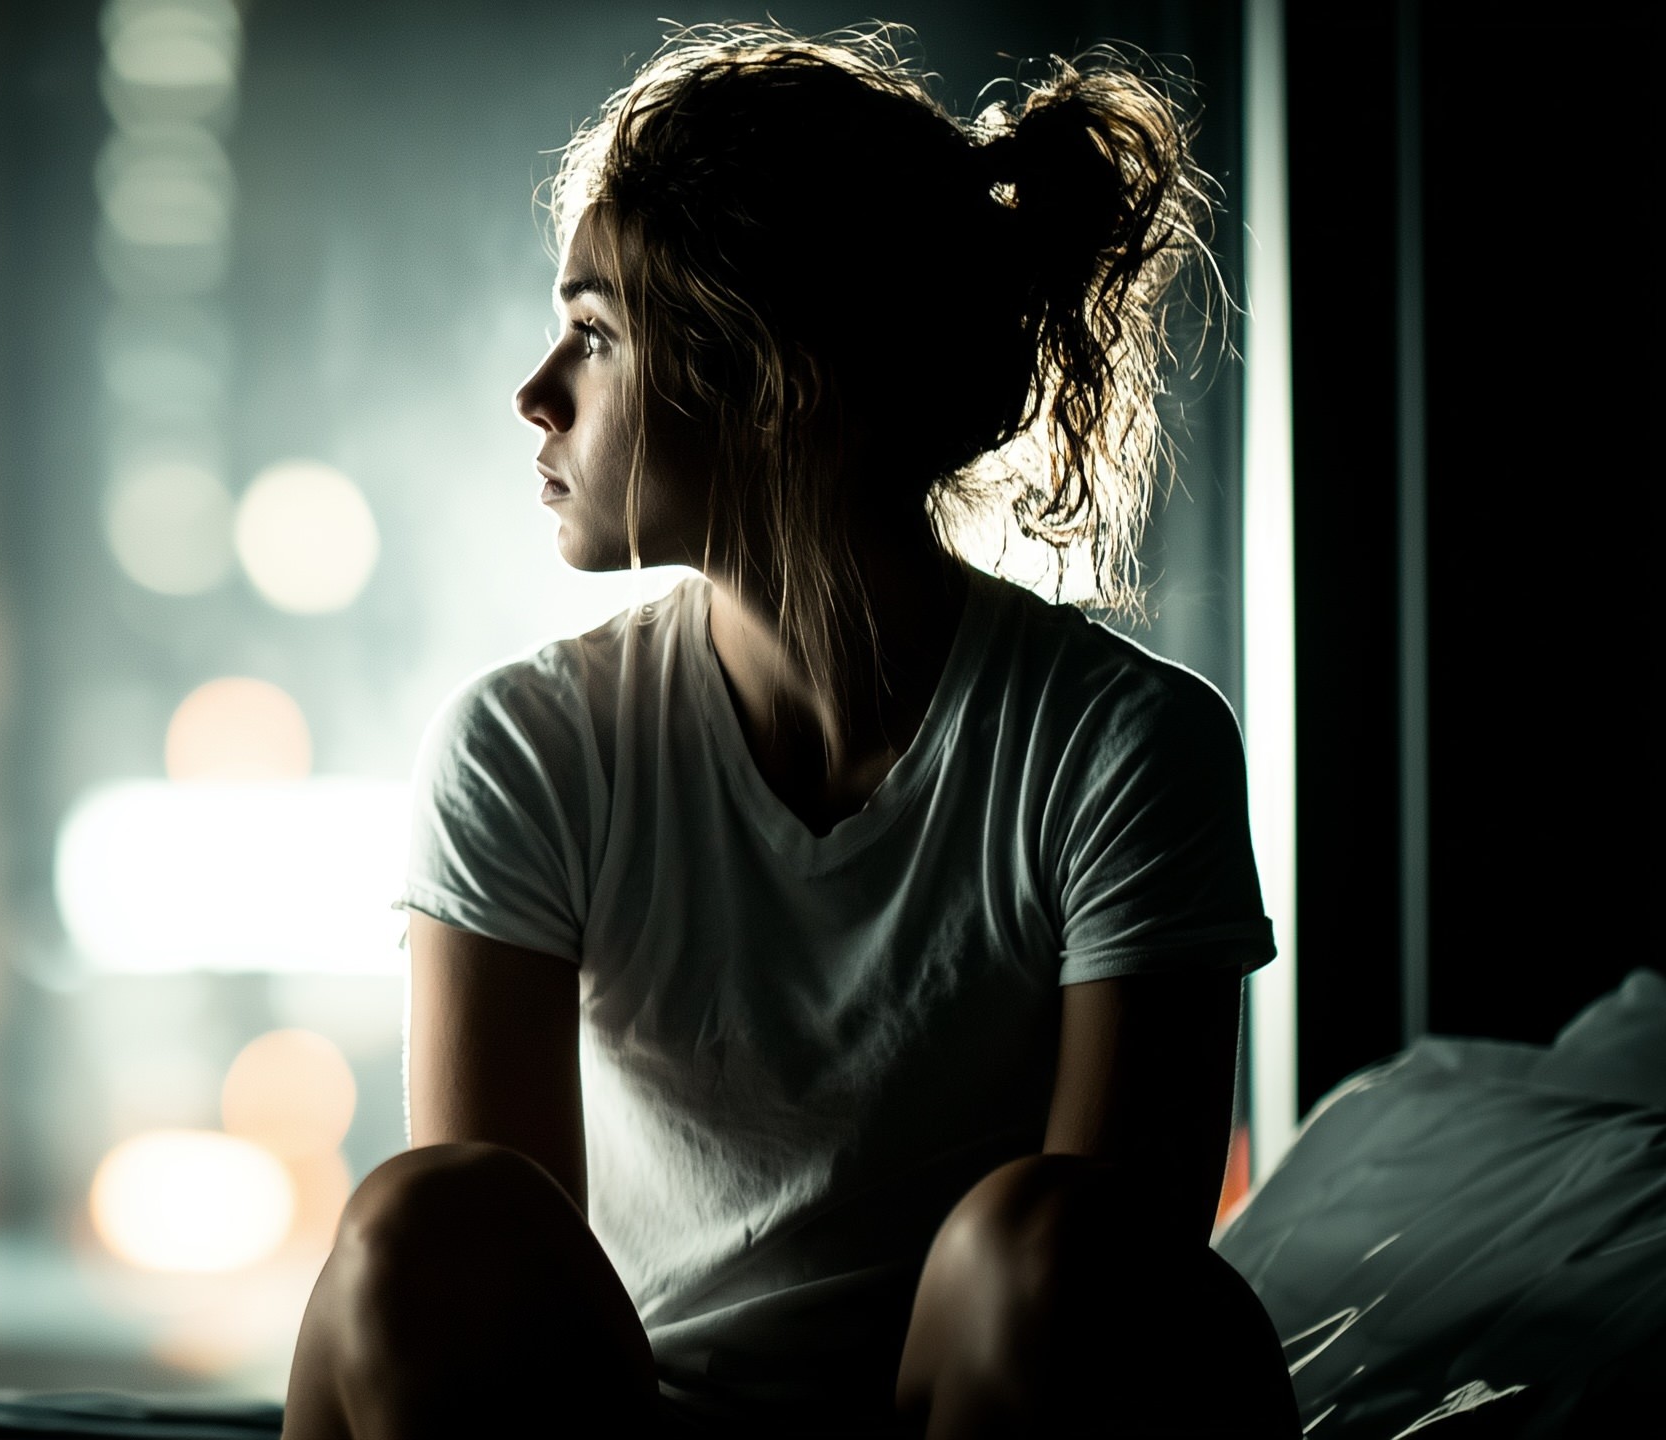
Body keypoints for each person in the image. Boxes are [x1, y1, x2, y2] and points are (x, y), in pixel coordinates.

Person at [278, 24, 1297, 1440]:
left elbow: (1111, 1295)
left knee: (1054, 1244)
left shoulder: (1124, 749)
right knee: (422, 1225)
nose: (536, 394)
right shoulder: (529, 745)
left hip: (976, 1412)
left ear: (768, 379)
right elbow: (481, 1292)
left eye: (593, 332)